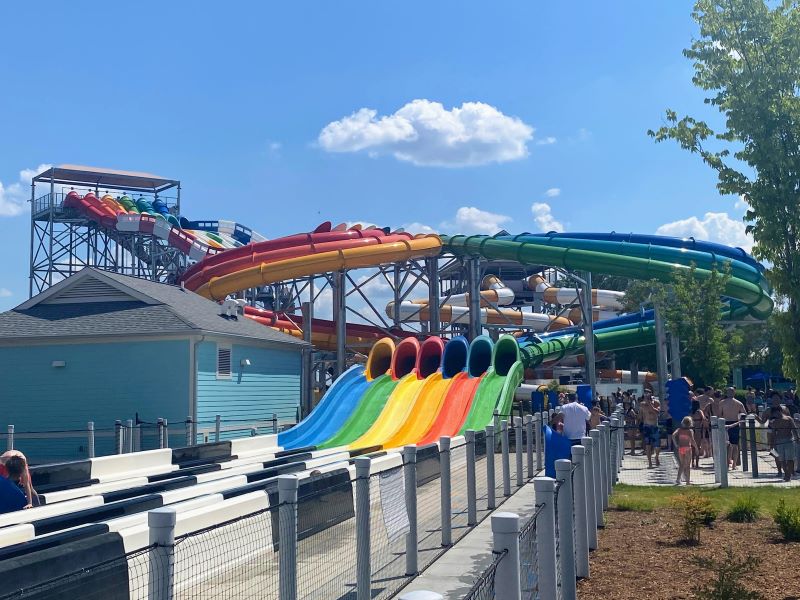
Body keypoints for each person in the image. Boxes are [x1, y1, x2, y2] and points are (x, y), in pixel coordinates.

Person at [719, 386, 746, 470]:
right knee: (734, 445)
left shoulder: (722, 402)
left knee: (727, 445)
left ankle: (728, 464)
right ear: (734, 393)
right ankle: (734, 464)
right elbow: (744, 414)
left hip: (725, 424)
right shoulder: (738, 403)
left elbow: (719, 415)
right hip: (735, 423)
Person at [769, 406, 799, 482]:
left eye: (776, 412)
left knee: (790, 459)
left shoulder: (789, 419)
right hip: (779, 442)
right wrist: (772, 445)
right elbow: (773, 434)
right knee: (781, 460)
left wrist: (797, 439)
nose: (775, 414)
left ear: (780, 411)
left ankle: (789, 474)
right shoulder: (774, 422)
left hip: (789, 441)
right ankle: (786, 473)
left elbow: (794, 429)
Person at [672, 416, 699, 485]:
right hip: (687, 448)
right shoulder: (690, 431)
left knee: (681, 464)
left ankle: (678, 479)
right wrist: (696, 448)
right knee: (687, 465)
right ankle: (688, 481)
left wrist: (676, 444)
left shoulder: (679, 430)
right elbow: (692, 441)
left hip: (681, 448)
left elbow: (673, 435)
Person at [640, 393, 661, 468]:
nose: (649, 400)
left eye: (650, 398)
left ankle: (657, 457)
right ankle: (650, 463)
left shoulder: (657, 403)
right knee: (648, 445)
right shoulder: (642, 405)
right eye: (647, 398)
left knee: (657, 446)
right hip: (647, 427)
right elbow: (641, 415)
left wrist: (650, 405)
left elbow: (657, 412)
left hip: (655, 426)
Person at [690, 400, 707, 468]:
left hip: (691, 429)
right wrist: (701, 424)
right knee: (697, 446)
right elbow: (704, 418)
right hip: (698, 430)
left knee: (692, 447)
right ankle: (697, 463)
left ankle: (692, 462)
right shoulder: (699, 411)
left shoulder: (690, 412)